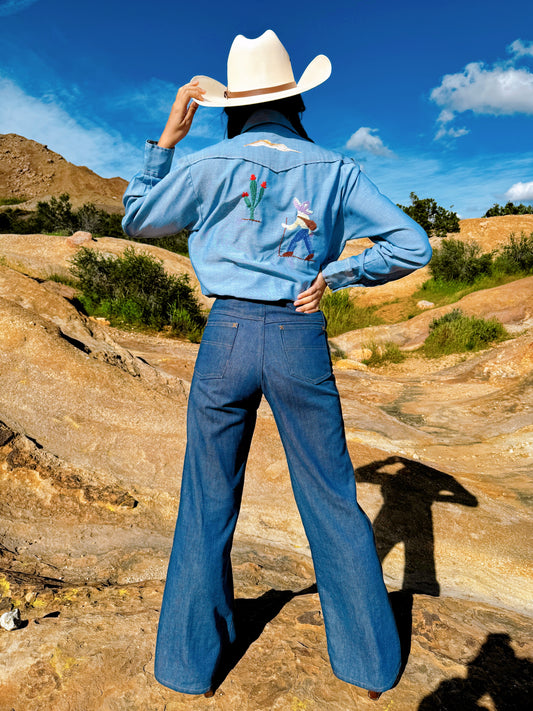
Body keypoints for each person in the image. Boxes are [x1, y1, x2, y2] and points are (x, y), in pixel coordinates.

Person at [122, 29, 432, 700]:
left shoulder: (209, 162)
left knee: (207, 500)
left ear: (234, 105)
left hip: (227, 333)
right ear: (294, 101)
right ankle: (369, 665)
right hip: (298, 333)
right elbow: (413, 245)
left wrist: (168, 141)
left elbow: (139, 219)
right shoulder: (336, 169)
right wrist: (344, 271)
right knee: (331, 498)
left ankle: (186, 667)